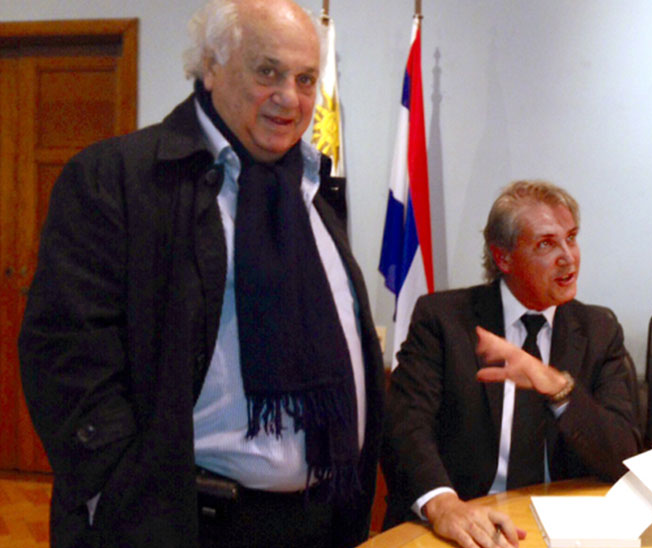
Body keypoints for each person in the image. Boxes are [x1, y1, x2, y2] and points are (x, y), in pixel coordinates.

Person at [18, 1, 385, 547]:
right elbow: (65, 358)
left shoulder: (311, 193)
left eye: (306, 79)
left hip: (324, 521)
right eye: (268, 72)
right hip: (182, 527)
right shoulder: (116, 179)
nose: (290, 97)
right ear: (211, 67)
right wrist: (122, 499)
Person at [381, 180, 642, 547]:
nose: (568, 258)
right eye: (546, 244)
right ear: (503, 258)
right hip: (467, 517)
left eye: (571, 238)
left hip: (564, 526)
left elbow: (624, 455)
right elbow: (405, 428)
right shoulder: (443, 320)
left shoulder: (599, 330)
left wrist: (558, 387)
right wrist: (443, 504)